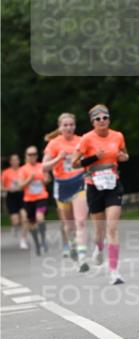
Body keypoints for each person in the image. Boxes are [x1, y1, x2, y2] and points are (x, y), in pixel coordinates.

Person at [72, 104, 129, 285]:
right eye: (98, 118)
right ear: (92, 122)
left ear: (109, 119)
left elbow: (125, 155)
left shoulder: (117, 136)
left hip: (113, 185)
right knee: (99, 232)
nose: (102, 121)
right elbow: (74, 164)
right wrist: (94, 157)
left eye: (105, 117)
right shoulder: (87, 139)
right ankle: (98, 248)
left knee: (112, 228)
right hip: (94, 186)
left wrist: (122, 157)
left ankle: (114, 272)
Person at [42, 113, 89, 269]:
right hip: (62, 185)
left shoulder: (81, 141)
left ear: (74, 126)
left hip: (79, 182)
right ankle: (72, 244)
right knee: (69, 225)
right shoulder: (54, 144)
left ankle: (82, 257)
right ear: (60, 127)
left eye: (71, 125)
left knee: (80, 221)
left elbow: (89, 160)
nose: (68, 127)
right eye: (65, 125)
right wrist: (58, 158)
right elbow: (44, 167)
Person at [18, 146, 50, 254]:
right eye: (29, 154)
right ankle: (37, 244)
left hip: (42, 198)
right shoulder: (22, 169)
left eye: (34, 154)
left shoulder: (42, 166)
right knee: (32, 224)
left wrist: (46, 179)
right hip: (29, 200)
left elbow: (48, 179)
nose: (32, 156)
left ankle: (43, 240)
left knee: (39, 218)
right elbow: (21, 186)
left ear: (37, 155)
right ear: (26, 156)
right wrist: (29, 179)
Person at [2, 154, 29, 249]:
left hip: (22, 195)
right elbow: (1, 187)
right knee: (16, 220)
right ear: (10, 162)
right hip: (11, 196)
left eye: (16, 160)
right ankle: (14, 226)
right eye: (13, 160)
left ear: (19, 161)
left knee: (25, 217)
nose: (15, 161)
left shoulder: (23, 171)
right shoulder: (6, 173)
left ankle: (23, 239)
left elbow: (28, 183)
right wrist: (8, 189)